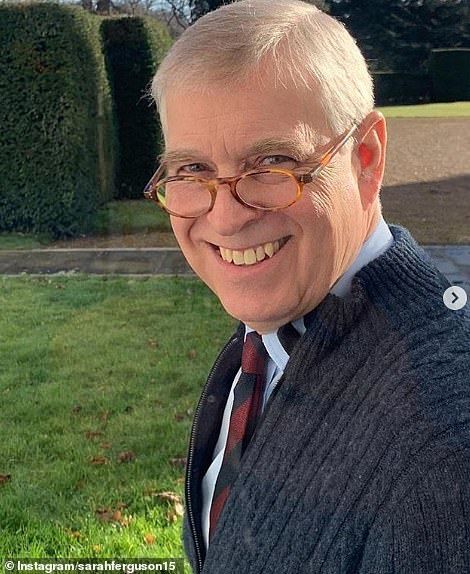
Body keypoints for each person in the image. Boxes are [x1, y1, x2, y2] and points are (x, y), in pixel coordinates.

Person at [144, 0, 470, 572]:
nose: (225, 219)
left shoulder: (445, 442)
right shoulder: (275, 331)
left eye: (271, 163)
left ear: (365, 159)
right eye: (191, 171)